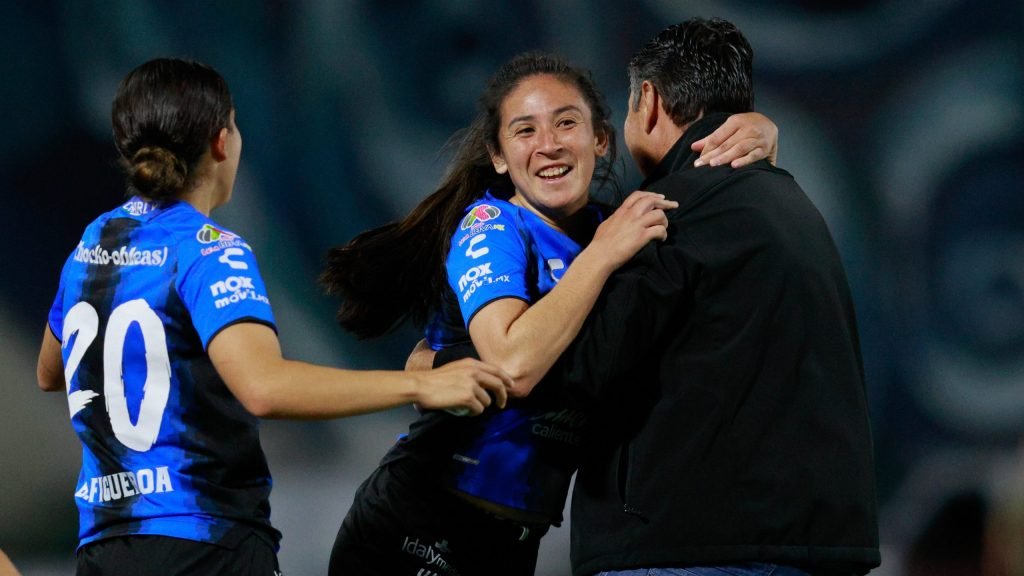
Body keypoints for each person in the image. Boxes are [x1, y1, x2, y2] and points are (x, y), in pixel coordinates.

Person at [34, 57, 513, 576]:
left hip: (104, 550)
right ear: (221, 141)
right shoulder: (211, 250)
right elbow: (265, 388)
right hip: (203, 544)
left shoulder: (94, 242)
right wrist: (421, 387)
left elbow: (51, 371)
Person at [320, 51, 778, 575]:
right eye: (524, 131)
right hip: (422, 521)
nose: (549, 145)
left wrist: (762, 134)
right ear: (498, 156)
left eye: (567, 123)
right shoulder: (492, 227)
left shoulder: (619, 225)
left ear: (600, 139)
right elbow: (513, 364)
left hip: (515, 542)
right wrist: (602, 254)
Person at [547, 17, 881, 576]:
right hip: (816, 547)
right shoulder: (796, 205)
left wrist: (452, 363)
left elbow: (579, 371)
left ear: (648, 101)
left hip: (688, 547)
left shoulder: (660, 214)